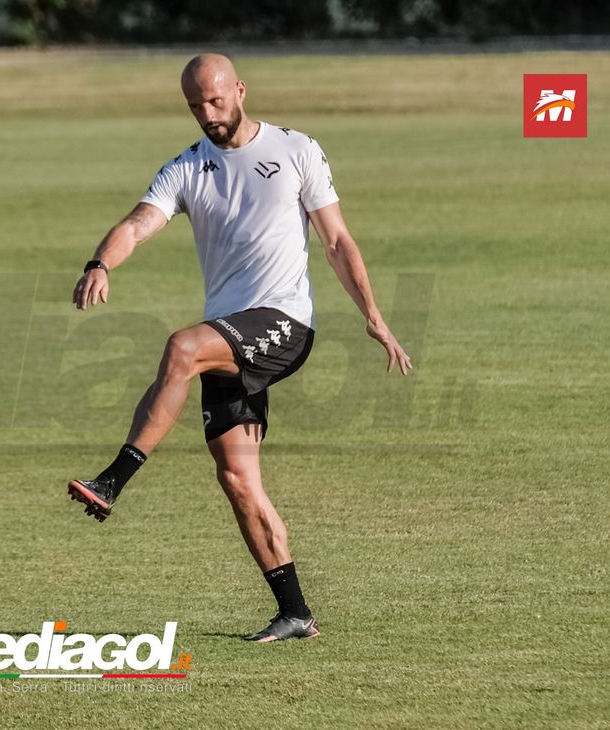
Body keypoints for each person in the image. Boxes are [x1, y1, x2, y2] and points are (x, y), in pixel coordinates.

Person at [66, 53, 412, 643]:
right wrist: (101, 261)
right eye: (195, 105)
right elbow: (137, 223)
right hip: (230, 337)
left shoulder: (296, 149)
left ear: (240, 90)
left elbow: (336, 241)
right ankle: (295, 612)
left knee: (181, 348)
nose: (207, 113)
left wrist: (374, 318)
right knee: (237, 477)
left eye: (215, 100)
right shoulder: (187, 168)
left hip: (282, 325)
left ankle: (113, 480)